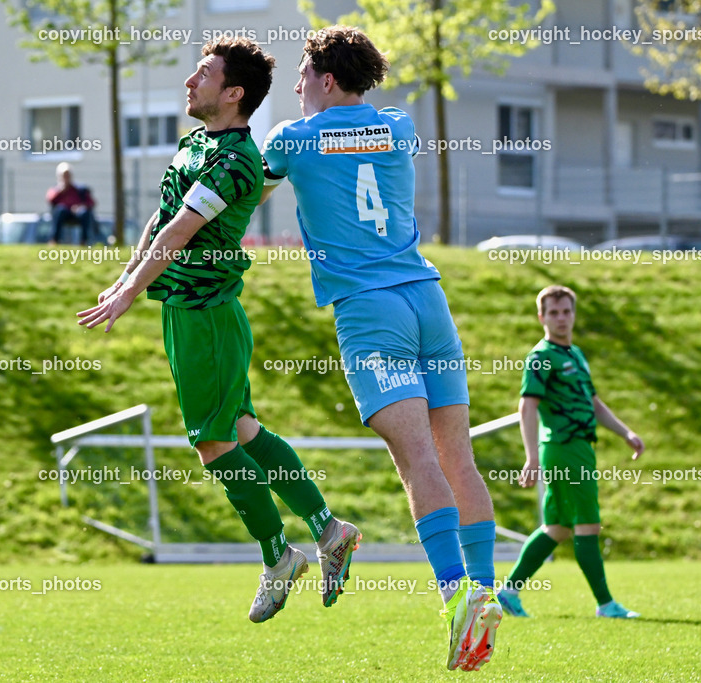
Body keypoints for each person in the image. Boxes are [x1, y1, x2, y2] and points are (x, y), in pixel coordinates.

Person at [76, 36, 360, 623]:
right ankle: (329, 530)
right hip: (190, 314)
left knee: (213, 442)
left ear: (233, 93)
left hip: (205, 315)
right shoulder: (195, 144)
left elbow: (180, 232)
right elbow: (160, 217)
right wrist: (127, 274)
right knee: (245, 429)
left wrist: (129, 293)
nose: (189, 82)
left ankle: (278, 557)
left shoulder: (235, 160)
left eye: (202, 74)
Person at [258, 26, 500, 671]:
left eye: (304, 77)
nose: (299, 89)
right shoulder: (398, 127)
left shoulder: (292, 139)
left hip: (370, 311)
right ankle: (484, 590)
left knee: (417, 458)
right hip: (428, 298)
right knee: (458, 456)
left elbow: (250, 190)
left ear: (326, 80)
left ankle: (454, 596)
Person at [498, 285, 644, 619]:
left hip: (578, 449)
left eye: (566, 311)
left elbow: (593, 403)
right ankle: (606, 604)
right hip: (564, 450)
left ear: (574, 314)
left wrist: (626, 432)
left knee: (559, 527)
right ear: (541, 317)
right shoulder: (541, 357)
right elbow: (527, 406)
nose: (561, 318)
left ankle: (509, 591)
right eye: (553, 312)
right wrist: (531, 456)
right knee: (587, 524)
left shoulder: (575, 354)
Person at [46, 162, 95, 245]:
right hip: (63, 213)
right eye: (64, 175)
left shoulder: (80, 189)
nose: (66, 177)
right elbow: (50, 199)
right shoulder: (56, 189)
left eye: (68, 175)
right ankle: (54, 240)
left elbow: (91, 202)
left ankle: (84, 241)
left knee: (84, 213)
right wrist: (61, 189)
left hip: (77, 213)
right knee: (60, 210)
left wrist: (80, 206)